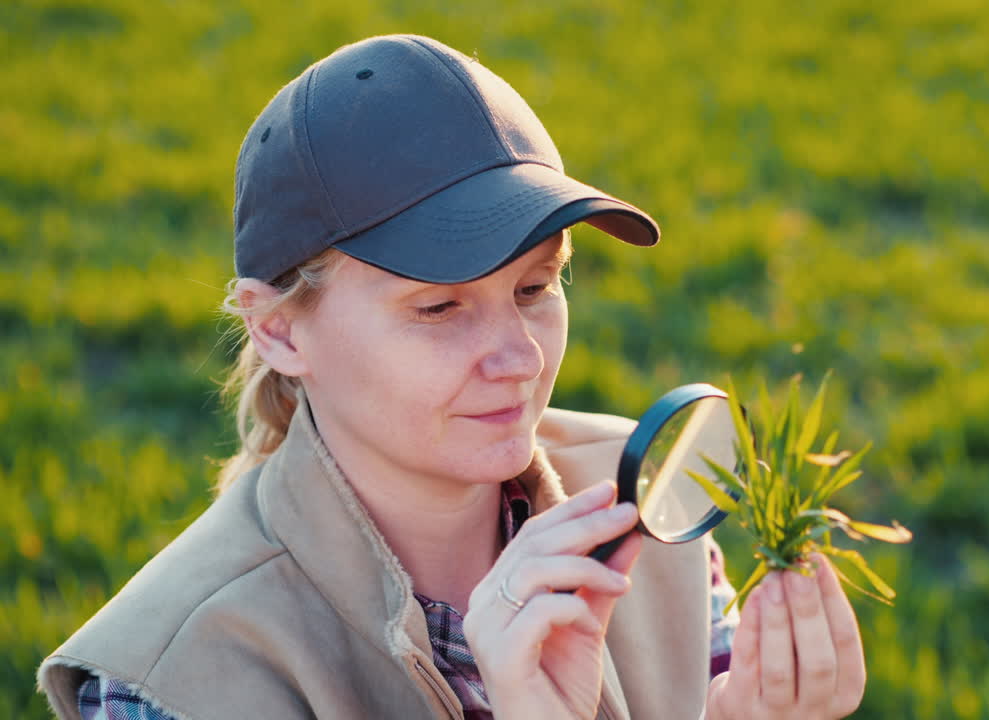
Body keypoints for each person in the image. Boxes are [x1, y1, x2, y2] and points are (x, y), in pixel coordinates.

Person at [37, 34, 867, 720]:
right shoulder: (177, 677)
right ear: (281, 329)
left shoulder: (649, 512)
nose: (522, 357)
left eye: (536, 288)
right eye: (439, 309)